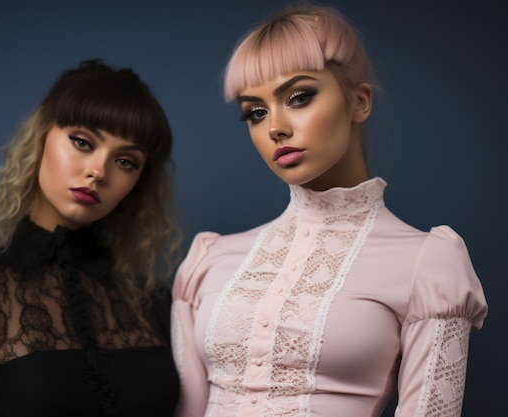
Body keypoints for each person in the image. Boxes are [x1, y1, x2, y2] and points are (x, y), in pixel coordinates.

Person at [171, 4, 488, 417]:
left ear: (359, 102)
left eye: (299, 97)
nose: (275, 128)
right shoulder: (210, 260)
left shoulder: (428, 263)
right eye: (256, 111)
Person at [0, 58, 181, 417]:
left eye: (125, 162)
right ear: (40, 137)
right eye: (82, 142)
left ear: (137, 184)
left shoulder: (153, 301)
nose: (97, 171)